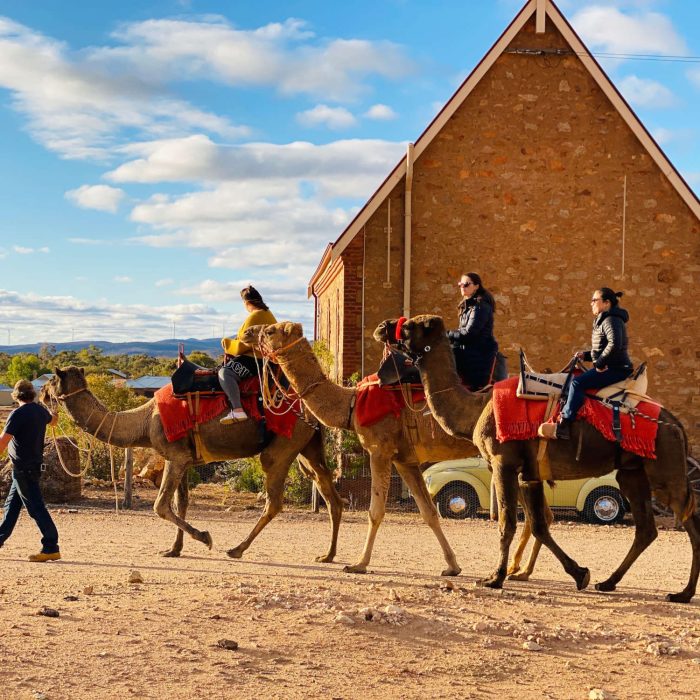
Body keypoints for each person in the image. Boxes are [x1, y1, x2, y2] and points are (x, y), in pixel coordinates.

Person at [554, 288, 633, 440]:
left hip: (616, 369)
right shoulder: (606, 319)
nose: (591, 303)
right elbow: (602, 349)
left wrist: (600, 363)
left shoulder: (611, 320)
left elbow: (615, 344)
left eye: (594, 300)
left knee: (577, 383)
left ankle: (565, 422)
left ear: (606, 303)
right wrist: (586, 355)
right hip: (613, 366)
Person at [0, 379, 61, 561]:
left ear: (15, 395)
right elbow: (54, 421)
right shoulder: (40, 411)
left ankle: (51, 546)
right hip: (30, 467)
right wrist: (52, 410)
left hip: (23, 468)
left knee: (36, 508)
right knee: (11, 507)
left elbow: (3, 442)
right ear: (32, 394)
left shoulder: (17, 414)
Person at [219, 285, 276, 424]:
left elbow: (242, 346)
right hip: (267, 360)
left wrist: (225, 343)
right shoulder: (268, 314)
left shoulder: (255, 316)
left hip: (256, 360)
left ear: (247, 302)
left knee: (225, 373)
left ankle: (238, 410)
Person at [448, 272, 500, 390]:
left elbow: (468, 334)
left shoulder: (480, 307)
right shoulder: (468, 306)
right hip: (468, 350)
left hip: (478, 354)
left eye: (466, 284)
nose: (462, 287)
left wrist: (447, 334)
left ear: (476, 286)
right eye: (460, 284)